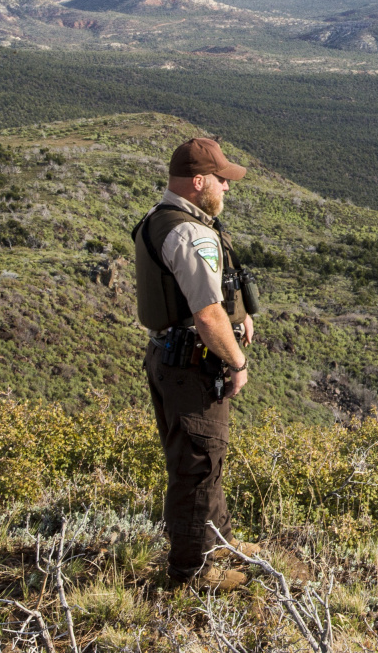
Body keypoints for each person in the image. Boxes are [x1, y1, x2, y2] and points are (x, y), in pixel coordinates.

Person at [134, 137, 257, 591]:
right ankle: (192, 574)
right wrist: (237, 361)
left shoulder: (157, 219)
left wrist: (238, 319)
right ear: (198, 181)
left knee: (200, 460)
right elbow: (207, 316)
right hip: (191, 367)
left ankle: (215, 542)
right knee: (198, 467)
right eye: (222, 179)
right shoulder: (191, 234)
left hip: (168, 357)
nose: (227, 187)